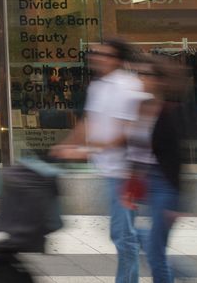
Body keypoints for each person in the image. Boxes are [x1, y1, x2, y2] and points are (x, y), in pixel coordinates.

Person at [52, 39, 148, 283]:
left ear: (117, 59)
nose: (96, 58)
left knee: (123, 235)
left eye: (104, 55)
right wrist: (67, 143)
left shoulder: (129, 85)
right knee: (123, 232)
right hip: (109, 170)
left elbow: (127, 132)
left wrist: (86, 151)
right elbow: (89, 121)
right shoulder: (98, 86)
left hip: (127, 171)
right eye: (95, 54)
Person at [125, 58, 187, 283]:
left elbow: (176, 159)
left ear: (159, 80)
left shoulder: (170, 111)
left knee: (155, 251)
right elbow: (137, 152)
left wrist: (175, 203)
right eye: (139, 73)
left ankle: (178, 273)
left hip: (165, 187)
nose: (140, 78)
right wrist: (131, 185)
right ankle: (182, 271)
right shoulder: (140, 108)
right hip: (146, 181)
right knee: (130, 235)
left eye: (145, 74)